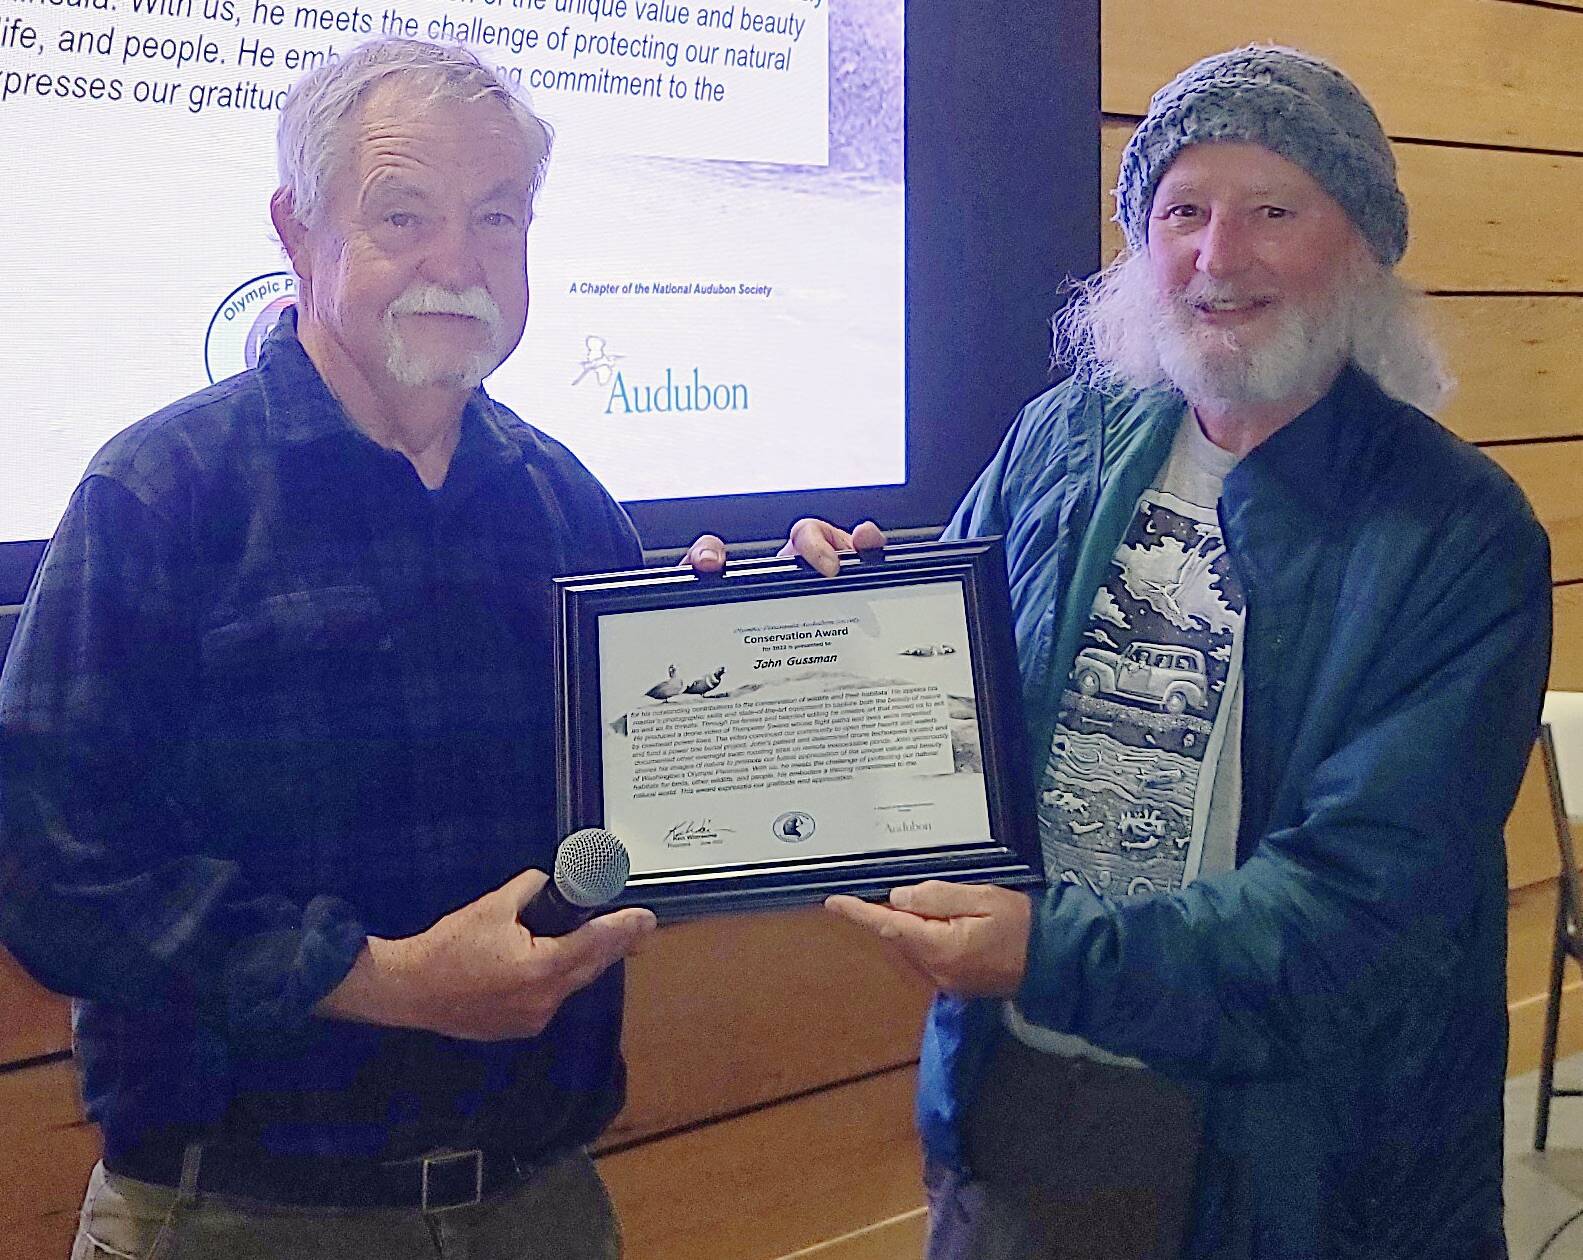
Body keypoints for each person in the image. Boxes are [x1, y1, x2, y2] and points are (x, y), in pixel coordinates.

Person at [781, 45, 1551, 1260]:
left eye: (1271, 211)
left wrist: (1047, 950)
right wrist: (820, 622)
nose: (1216, 254)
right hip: (1025, 1084)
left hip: (1296, 1128)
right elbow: (944, 711)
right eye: (1181, 210)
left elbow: (1361, 906)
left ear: (1360, 243)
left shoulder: (1453, 531)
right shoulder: (1059, 441)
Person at [0, 38, 688, 1260]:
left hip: (539, 1205)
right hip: (235, 1218)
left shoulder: (566, 504)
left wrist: (796, 623)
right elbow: (50, 872)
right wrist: (373, 977)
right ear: (296, 229)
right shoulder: (159, 493)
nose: (457, 264)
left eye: (497, 218)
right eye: (402, 215)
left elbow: (664, 805)